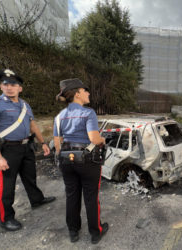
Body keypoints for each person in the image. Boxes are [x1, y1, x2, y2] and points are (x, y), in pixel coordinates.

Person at [0, 69, 56, 231]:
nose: (9, 87)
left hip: (26, 147)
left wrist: (43, 143)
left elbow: (33, 125)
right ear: (1, 86)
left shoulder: (25, 105)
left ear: (20, 88)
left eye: (13, 84)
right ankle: (6, 219)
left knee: (30, 177)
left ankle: (37, 200)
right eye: (6, 84)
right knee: (6, 184)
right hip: (7, 150)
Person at [53, 78, 108, 244]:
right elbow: (93, 138)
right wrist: (102, 140)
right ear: (77, 93)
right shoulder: (88, 112)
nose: (88, 93)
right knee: (91, 196)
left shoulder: (59, 116)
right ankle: (95, 232)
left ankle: (73, 231)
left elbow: (57, 144)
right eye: (85, 90)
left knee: (72, 195)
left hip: (66, 160)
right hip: (87, 161)